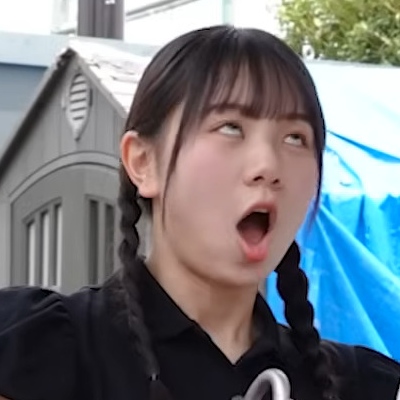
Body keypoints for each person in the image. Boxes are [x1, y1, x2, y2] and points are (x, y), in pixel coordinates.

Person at [0, 25, 399, 400]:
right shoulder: (40, 350)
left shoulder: (359, 385)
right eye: (230, 128)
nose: (268, 166)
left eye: (295, 138)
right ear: (143, 162)